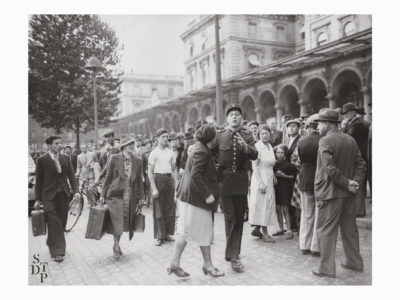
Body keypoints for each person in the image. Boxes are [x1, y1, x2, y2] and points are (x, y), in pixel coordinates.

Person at [312, 108, 366, 278]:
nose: (318, 127)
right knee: (350, 229)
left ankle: (326, 268)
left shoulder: (325, 141)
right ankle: (354, 262)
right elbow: (361, 164)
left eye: (319, 123)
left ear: (328, 124)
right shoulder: (350, 139)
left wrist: (347, 183)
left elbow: (330, 168)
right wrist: (353, 183)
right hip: (348, 194)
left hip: (330, 194)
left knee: (325, 231)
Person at [168, 124, 224, 278]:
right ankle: (202, 265)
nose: (217, 137)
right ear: (211, 137)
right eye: (215, 134)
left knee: (194, 231)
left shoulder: (199, 148)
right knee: (189, 231)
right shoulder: (201, 150)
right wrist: (207, 195)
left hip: (190, 198)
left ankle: (203, 264)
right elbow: (195, 176)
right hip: (194, 199)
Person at [215, 104, 258, 273]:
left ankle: (233, 251)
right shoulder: (219, 136)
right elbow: (209, 154)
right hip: (224, 182)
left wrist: (246, 147)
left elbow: (255, 154)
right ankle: (234, 256)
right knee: (230, 218)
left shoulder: (247, 135)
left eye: (237, 115)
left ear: (241, 118)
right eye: (231, 115)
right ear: (227, 118)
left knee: (239, 218)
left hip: (240, 181)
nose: (234, 117)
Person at [34, 136, 80, 263]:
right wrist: (38, 199)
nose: (59, 145)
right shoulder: (41, 160)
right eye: (56, 143)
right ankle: (58, 252)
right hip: (48, 196)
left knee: (61, 221)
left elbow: (71, 176)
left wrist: (76, 191)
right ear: (49, 145)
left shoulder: (66, 158)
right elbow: (39, 181)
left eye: (60, 143)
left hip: (63, 195)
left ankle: (51, 241)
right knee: (54, 222)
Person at [99, 135, 145, 259]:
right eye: (129, 144)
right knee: (117, 221)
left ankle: (116, 244)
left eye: (132, 143)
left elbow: (140, 180)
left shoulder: (138, 160)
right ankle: (116, 245)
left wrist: (142, 197)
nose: (131, 145)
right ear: (123, 146)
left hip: (130, 194)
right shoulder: (114, 158)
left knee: (123, 222)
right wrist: (102, 195)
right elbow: (108, 177)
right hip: (115, 194)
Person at [248, 125, 279, 243]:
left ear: (270, 134)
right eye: (262, 134)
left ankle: (256, 229)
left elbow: (270, 163)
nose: (264, 136)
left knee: (268, 204)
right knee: (263, 206)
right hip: (260, 178)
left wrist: (274, 175)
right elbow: (254, 166)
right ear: (258, 135)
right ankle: (265, 234)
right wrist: (261, 183)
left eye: (266, 133)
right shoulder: (257, 147)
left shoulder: (270, 146)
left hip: (269, 178)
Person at [297, 114, 321, 256]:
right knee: (318, 215)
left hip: (305, 178)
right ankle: (315, 247)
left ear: (309, 126)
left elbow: (300, 158)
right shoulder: (323, 140)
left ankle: (304, 245)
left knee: (306, 214)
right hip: (319, 179)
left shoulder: (302, 140)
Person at [148, 128, 176, 246]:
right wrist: (154, 188)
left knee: (169, 208)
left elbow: (173, 168)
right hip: (158, 179)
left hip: (169, 179)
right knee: (159, 209)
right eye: (163, 137)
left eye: (166, 136)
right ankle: (160, 236)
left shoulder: (170, 152)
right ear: (157, 138)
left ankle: (168, 234)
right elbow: (149, 171)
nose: (165, 139)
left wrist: (175, 183)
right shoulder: (154, 153)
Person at [341, 103, 370, 217]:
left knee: (357, 183)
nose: (345, 116)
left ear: (353, 112)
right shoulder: (359, 123)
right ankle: (359, 210)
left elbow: (347, 138)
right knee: (358, 183)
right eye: (344, 114)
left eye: (347, 113)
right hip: (361, 156)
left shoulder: (356, 124)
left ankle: (358, 211)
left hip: (356, 157)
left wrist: (343, 127)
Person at [273, 144, 297, 240]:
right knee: (278, 208)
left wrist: (283, 175)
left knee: (285, 209)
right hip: (276, 188)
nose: (280, 154)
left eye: (282, 153)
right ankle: (281, 229)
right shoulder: (274, 164)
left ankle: (289, 230)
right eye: (278, 152)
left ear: (285, 154)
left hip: (285, 188)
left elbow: (293, 177)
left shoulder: (288, 165)